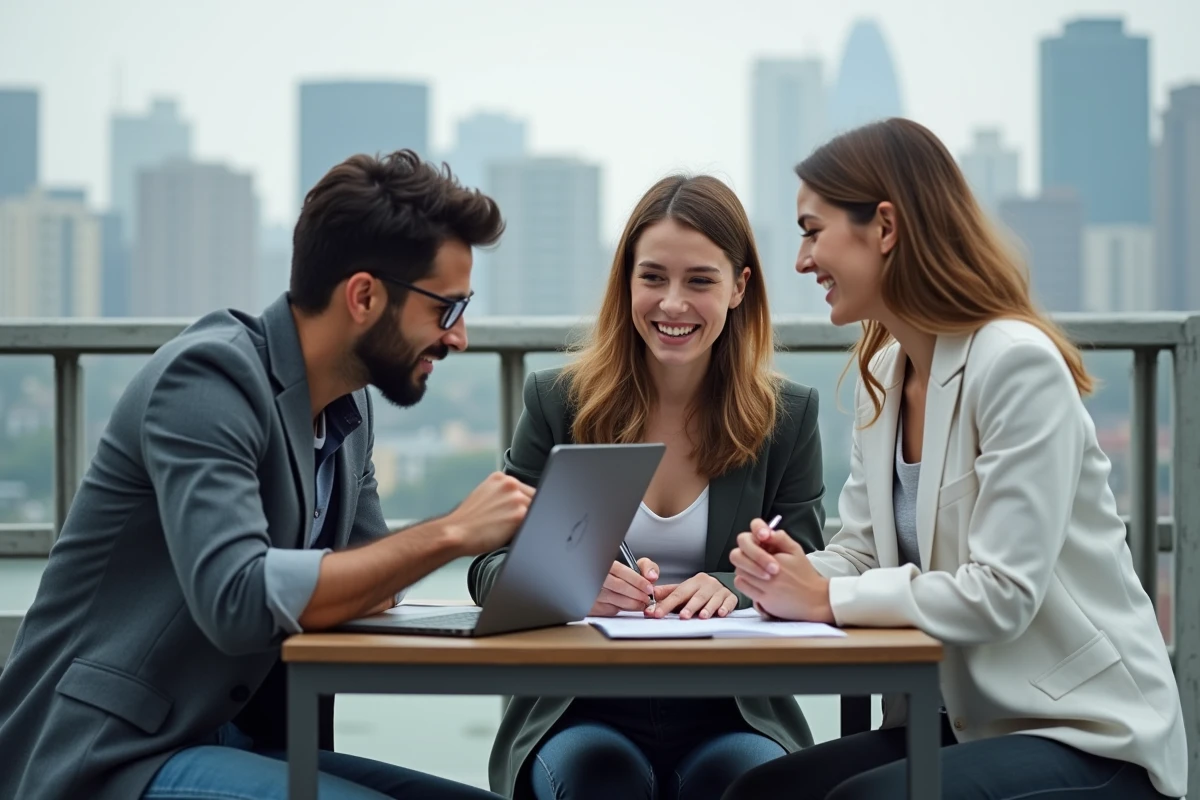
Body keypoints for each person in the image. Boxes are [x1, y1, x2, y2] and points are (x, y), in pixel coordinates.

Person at [0, 150, 532, 800]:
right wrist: (451, 533)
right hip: (112, 754)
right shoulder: (207, 379)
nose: (460, 338)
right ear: (363, 296)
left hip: (245, 741)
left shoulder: (347, 404)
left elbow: (369, 574)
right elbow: (239, 599)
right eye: (446, 309)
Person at [723, 118, 1187, 799]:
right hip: (954, 723)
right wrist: (781, 571)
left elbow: (1003, 592)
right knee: (757, 793)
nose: (800, 260)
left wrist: (825, 596)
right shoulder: (886, 370)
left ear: (884, 227)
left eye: (812, 230)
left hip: (1082, 733)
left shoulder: (1015, 365)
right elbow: (858, 558)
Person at [467, 175, 827, 800]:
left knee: (745, 782)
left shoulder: (786, 418)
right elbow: (487, 570)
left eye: (700, 281)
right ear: (627, 283)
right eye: (653, 277)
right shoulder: (559, 403)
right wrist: (567, 580)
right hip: (579, 707)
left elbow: (811, 570)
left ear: (740, 287)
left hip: (731, 710)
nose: (672, 304)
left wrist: (728, 586)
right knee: (597, 779)